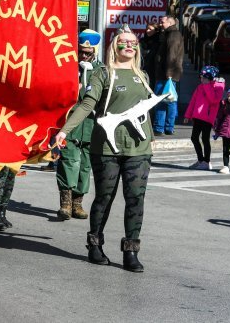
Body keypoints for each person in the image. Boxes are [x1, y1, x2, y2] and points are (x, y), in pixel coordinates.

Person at [54, 25, 156, 273]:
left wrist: (151, 140)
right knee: (104, 198)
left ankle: (131, 250)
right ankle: (95, 245)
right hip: (107, 148)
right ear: (115, 46)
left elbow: (144, 111)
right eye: (124, 42)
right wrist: (64, 130)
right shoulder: (103, 73)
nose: (130, 46)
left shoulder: (142, 75)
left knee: (135, 199)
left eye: (133, 42)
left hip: (138, 150)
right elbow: (87, 104)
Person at [56, 29, 102, 220]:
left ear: (95, 52)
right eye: (81, 51)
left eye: (88, 52)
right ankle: (65, 203)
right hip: (71, 122)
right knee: (68, 161)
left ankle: (78, 203)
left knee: (85, 165)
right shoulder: (68, 67)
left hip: (92, 125)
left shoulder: (101, 70)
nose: (83, 55)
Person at [183, 66, 225, 171]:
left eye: (204, 78)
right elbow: (193, 101)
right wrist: (187, 115)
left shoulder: (218, 86)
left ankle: (207, 161)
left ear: (210, 78)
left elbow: (213, 100)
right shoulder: (200, 87)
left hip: (208, 117)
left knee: (205, 139)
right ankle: (201, 160)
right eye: (201, 77)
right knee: (194, 137)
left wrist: (207, 86)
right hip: (197, 116)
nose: (201, 80)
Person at [153, 15, 183, 135]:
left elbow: (172, 55)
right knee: (168, 101)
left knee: (165, 101)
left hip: (166, 74)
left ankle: (162, 127)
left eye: (162, 22)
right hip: (167, 73)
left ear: (170, 23)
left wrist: (169, 73)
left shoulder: (173, 35)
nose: (160, 24)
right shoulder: (169, 34)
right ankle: (166, 127)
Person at [139, 23, 160, 89]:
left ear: (156, 30)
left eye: (150, 29)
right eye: (147, 28)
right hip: (142, 68)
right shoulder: (142, 41)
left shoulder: (158, 42)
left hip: (153, 70)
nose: (148, 31)